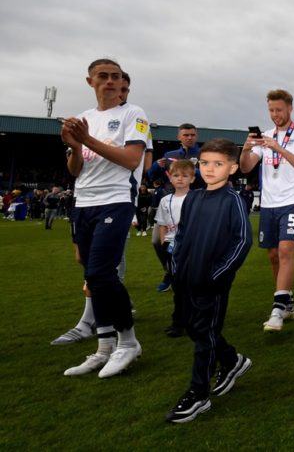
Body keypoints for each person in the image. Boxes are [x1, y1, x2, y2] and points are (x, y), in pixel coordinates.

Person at [59, 58, 146, 378]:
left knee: (102, 272)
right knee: (92, 277)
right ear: (90, 81)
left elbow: (132, 159)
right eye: (103, 76)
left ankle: (128, 342)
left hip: (116, 200)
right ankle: (104, 346)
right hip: (84, 203)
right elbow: (74, 170)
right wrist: (75, 148)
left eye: (116, 77)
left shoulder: (133, 114)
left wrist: (87, 141)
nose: (110, 81)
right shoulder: (83, 118)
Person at [165, 138, 253, 423]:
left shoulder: (234, 201)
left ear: (233, 168)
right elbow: (181, 234)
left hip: (212, 283)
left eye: (218, 164)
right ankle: (231, 360)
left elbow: (242, 242)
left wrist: (216, 275)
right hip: (187, 278)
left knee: (205, 335)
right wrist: (176, 265)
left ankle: (198, 393)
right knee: (196, 328)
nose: (209, 169)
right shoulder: (193, 198)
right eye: (204, 163)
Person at [239, 89, 294, 332]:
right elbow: (245, 167)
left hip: (292, 201)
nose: (275, 115)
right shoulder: (265, 137)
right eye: (271, 110)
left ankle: (277, 310)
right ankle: (288, 302)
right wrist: (246, 148)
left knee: (285, 250)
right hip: (269, 205)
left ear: (290, 108)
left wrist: (279, 149)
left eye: (279, 110)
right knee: (273, 255)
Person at [154, 159, 195, 336]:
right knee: (178, 285)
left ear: (192, 178)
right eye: (176, 175)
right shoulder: (165, 200)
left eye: (185, 176)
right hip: (172, 247)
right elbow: (162, 223)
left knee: (192, 284)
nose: (180, 179)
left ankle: (194, 319)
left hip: (192, 247)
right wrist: (164, 242)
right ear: (170, 177)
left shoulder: (197, 197)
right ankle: (178, 322)